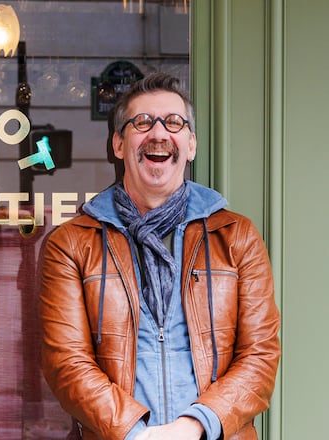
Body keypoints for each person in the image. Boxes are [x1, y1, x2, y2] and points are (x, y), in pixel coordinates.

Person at [39, 73, 280, 440]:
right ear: (118, 144)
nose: (158, 133)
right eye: (142, 122)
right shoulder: (71, 243)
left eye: (174, 122)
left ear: (191, 144)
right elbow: (67, 363)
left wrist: (193, 426)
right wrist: (140, 435)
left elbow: (260, 355)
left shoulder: (236, 236)